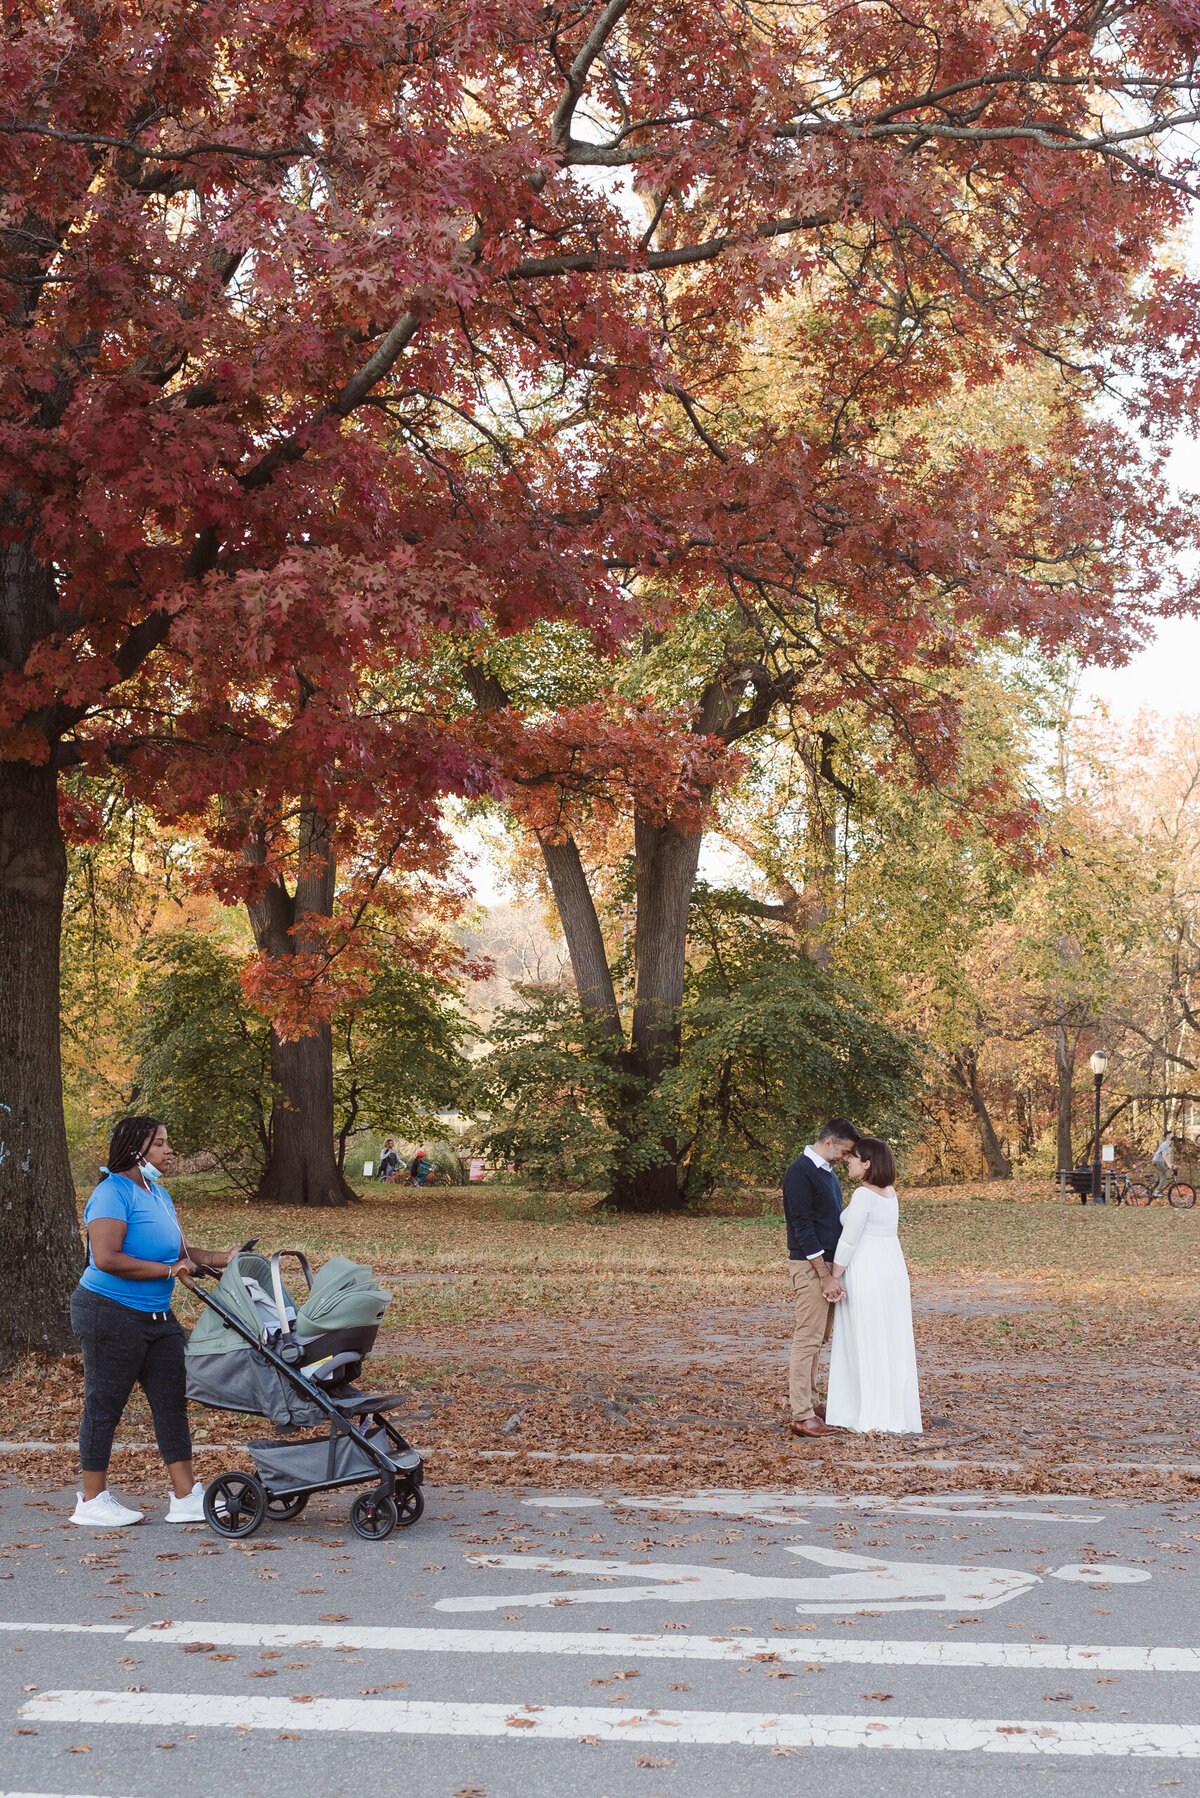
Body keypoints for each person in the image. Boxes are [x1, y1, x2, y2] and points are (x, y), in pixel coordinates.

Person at [69, 1117, 234, 1529]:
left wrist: (221, 1259)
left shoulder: (157, 1194)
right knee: (104, 1404)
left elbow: (179, 1251)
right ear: (134, 1150)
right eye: (159, 1143)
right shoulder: (111, 1193)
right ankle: (91, 1501)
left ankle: (185, 1498)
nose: (168, 1150)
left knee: (170, 1404)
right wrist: (168, 1270)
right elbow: (106, 1258)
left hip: (158, 1316)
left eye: (167, 1142)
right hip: (109, 1311)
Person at [825, 1136, 922, 1434]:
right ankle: (890, 1409)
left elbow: (850, 1239)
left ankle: (867, 1411)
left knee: (865, 1337)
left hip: (868, 1271)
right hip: (891, 1268)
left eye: (854, 1157)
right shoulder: (890, 1193)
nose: (848, 1161)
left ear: (867, 1164)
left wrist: (835, 1276)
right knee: (888, 1338)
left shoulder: (864, 1196)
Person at [781, 1117, 858, 1439]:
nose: (845, 1158)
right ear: (829, 1142)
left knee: (819, 1338)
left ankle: (812, 1402)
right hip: (811, 1266)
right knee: (807, 1338)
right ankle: (801, 1415)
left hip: (828, 1266)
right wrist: (825, 1276)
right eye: (844, 1151)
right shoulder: (800, 1173)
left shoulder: (827, 1173)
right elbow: (802, 1227)